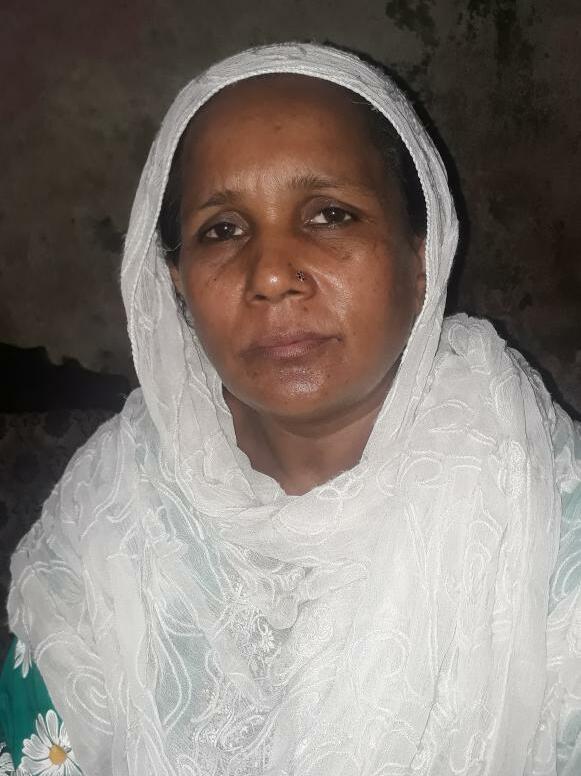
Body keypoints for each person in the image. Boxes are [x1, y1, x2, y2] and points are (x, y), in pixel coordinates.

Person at [1, 41, 580, 776]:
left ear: (420, 256)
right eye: (222, 229)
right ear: (176, 281)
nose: (272, 273)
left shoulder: (542, 521)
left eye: (330, 215)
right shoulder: (112, 514)